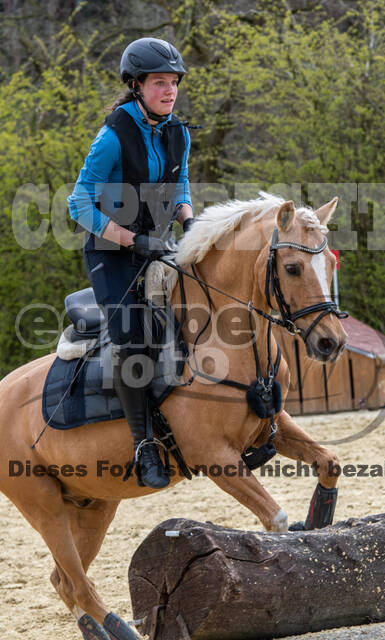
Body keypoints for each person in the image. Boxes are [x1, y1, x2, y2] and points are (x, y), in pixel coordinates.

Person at [68, 37, 195, 489]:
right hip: (111, 254)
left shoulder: (177, 131)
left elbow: (178, 186)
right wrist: (129, 239)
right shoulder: (112, 136)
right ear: (137, 86)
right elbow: (78, 202)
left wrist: (189, 220)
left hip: (158, 246)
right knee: (131, 338)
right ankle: (144, 445)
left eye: (174, 82)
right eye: (160, 82)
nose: (169, 90)